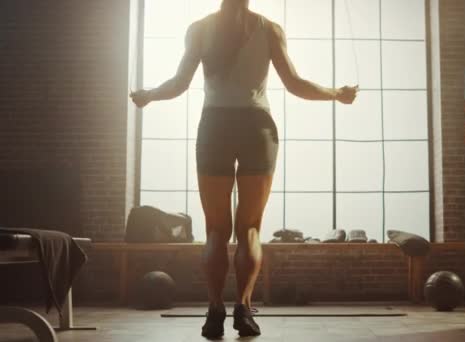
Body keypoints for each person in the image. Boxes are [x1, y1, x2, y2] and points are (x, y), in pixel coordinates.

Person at [130, 0, 358, 338]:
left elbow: (179, 84)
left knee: (215, 231)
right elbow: (294, 84)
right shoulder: (269, 29)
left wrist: (148, 95)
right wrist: (337, 93)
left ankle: (213, 312)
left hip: (215, 127)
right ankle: (243, 311)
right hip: (256, 127)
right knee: (249, 228)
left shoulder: (199, 29)